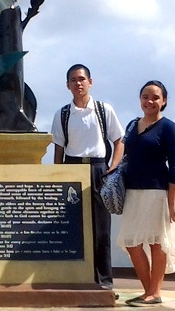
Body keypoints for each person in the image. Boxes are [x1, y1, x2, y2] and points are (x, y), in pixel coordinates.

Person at [51, 64, 124, 290]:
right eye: (73, 80)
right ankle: (77, 278)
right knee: (74, 227)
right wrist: (59, 176)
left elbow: (119, 140)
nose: (78, 83)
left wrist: (112, 167)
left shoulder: (104, 110)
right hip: (72, 170)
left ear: (90, 82)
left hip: (99, 169)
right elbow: (59, 149)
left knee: (101, 229)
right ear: (67, 85)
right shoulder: (62, 114)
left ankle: (104, 281)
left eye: (82, 79)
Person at [117, 80, 175, 307]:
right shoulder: (132, 125)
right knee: (132, 243)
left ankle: (154, 293)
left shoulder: (168, 127)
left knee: (157, 243)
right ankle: (148, 292)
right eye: (146, 96)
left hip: (157, 192)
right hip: (133, 193)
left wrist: (172, 202)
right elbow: (125, 156)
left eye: (155, 97)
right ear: (140, 99)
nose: (150, 101)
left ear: (163, 101)